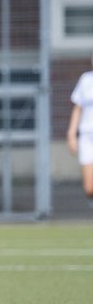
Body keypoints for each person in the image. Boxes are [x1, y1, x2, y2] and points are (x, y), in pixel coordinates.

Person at [67, 56, 93, 201]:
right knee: (89, 188)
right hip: (87, 136)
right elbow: (77, 108)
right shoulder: (85, 80)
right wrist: (72, 135)